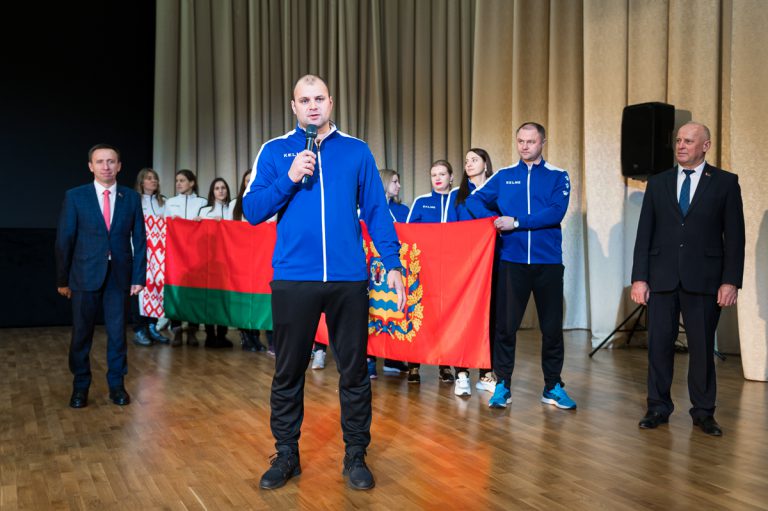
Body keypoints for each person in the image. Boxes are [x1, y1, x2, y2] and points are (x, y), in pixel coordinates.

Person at [242, 74, 405, 491]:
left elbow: (377, 211)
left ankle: (356, 455)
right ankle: (286, 454)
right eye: (304, 100)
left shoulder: (356, 151)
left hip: (348, 280)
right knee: (288, 372)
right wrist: (290, 176)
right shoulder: (275, 151)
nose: (312, 106)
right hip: (294, 279)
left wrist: (393, 263)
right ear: (293, 106)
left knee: (354, 372)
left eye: (319, 99)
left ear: (331, 102)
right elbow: (253, 210)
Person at [631, 122, 745, 436]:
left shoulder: (725, 182)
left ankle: (704, 412)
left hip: (705, 280)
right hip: (662, 279)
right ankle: (657, 407)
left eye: (689, 141)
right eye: (678, 140)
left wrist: (730, 281)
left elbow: (735, 237)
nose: (681, 146)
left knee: (702, 349)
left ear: (705, 146)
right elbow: (644, 234)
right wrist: (640, 278)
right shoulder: (659, 182)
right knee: (658, 346)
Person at [465, 122, 576, 410]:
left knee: (551, 329)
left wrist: (516, 222)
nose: (525, 146)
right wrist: (494, 222)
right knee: (505, 327)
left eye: (531, 141)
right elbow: (474, 201)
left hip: (548, 263)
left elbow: (555, 213)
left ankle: (552, 386)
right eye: (520, 141)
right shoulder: (504, 176)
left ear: (543, 143)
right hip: (512, 263)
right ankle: (503, 384)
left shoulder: (558, 176)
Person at [55, 144, 146, 408]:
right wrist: (62, 279)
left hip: (119, 277)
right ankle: (80, 386)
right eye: (100, 161)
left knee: (118, 336)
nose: (106, 166)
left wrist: (138, 276)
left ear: (119, 166)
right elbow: (64, 240)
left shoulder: (131, 198)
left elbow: (140, 240)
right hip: (84, 276)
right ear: (90, 166)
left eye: (111, 161)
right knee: (81, 335)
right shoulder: (75, 196)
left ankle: (117, 386)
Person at [445, 148, 498, 396]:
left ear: (486, 164)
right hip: (464, 265)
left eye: (474, 160)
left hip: (492, 262)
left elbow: (500, 221)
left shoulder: (496, 189)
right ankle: (462, 373)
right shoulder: (457, 195)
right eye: (466, 160)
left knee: (490, 318)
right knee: (464, 319)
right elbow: (450, 230)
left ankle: (486, 373)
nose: (468, 164)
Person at [405, 160, 456, 385]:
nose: (437, 178)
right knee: (419, 316)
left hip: (452, 271)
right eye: (434, 174)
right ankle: (413, 366)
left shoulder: (459, 201)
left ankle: (445, 366)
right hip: (424, 270)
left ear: (451, 177)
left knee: (446, 318)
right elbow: (407, 233)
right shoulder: (421, 201)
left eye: (442, 174)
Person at [164, 169, 207, 346]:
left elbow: (207, 227)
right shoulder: (170, 203)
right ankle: (176, 330)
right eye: (177, 180)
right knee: (176, 291)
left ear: (192, 183)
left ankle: (192, 331)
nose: (178, 184)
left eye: (182, 180)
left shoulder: (203, 202)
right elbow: (164, 226)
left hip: (197, 254)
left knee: (194, 292)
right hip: (176, 254)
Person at [130, 168, 170, 346]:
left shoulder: (164, 202)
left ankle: (153, 326)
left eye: (155, 178)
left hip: (159, 255)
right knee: (139, 290)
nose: (153, 181)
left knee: (156, 290)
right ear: (141, 182)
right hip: (140, 253)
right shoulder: (134, 201)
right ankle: (139, 329)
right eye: (149, 178)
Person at [231, 169, 268, 353]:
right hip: (240, 258)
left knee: (258, 296)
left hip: (260, 256)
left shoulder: (266, 200)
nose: (249, 183)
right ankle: (245, 335)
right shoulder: (234, 204)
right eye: (246, 180)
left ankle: (256, 335)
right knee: (243, 298)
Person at [197, 177, 234, 348]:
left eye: (223, 188)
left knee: (224, 298)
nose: (221, 191)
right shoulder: (204, 211)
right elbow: (198, 235)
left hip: (229, 261)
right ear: (212, 192)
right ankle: (210, 335)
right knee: (210, 298)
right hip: (210, 261)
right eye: (217, 188)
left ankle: (222, 335)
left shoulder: (233, 209)